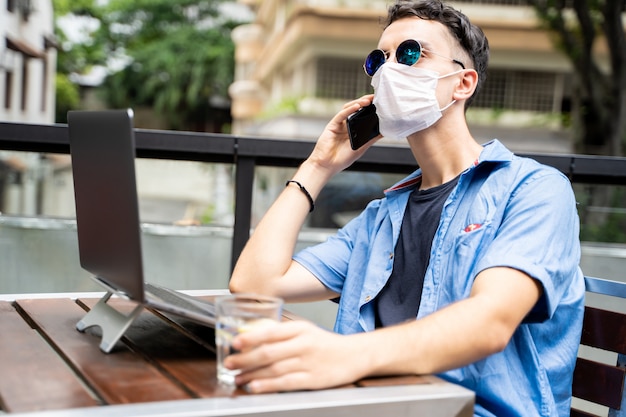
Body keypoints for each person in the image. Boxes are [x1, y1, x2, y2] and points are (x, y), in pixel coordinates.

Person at [227, 1, 585, 415]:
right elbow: (255, 285)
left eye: (411, 53)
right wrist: (317, 166)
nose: (389, 69)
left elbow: (490, 322)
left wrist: (342, 355)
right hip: (378, 405)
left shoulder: (533, 189)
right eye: (378, 59)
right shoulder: (382, 217)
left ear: (462, 83)